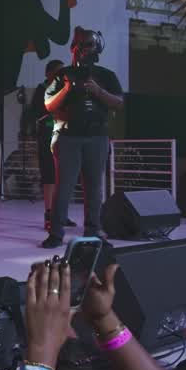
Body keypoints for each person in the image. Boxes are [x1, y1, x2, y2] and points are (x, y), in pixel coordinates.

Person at [42, 28, 123, 249]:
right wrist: (67, 89)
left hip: (97, 137)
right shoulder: (62, 74)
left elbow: (119, 102)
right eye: (82, 45)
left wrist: (98, 92)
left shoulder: (106, 75)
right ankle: (56, 234)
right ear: (74, 48)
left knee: (94, 187)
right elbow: (48, 104)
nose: (85, 50)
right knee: (64, 187)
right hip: (68, 137)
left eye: (89, 46)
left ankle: (92, 231)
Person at [32, 59, 75, 231]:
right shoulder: (41, 89)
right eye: (57, 72)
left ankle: (62, 213)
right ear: (48, 73)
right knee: (49, 175)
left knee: (65, 176)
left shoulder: (66, 89)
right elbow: (37, 112)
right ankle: (49, 214)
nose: (61, 75)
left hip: (65, 136)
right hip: (47, 137)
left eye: (62, 71)